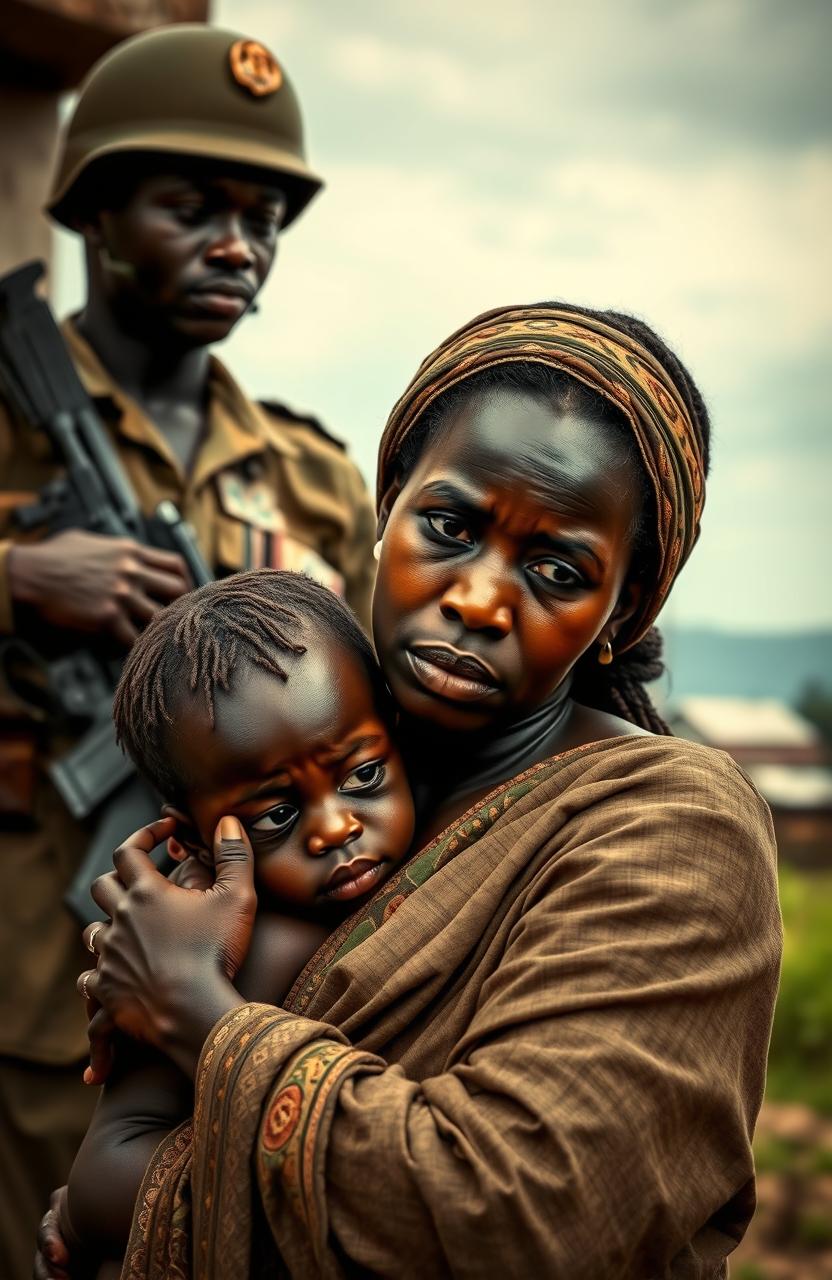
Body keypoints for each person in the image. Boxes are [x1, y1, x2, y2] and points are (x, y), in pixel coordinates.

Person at [45, 302, 781, 1278]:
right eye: (447, 524)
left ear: (623, 604)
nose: (478, 598)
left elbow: (523, 1215)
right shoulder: (303, 752)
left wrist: (195, 1014)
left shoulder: (669, 823)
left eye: (558, 567)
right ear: (386, 503)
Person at [0, 24, 376, 1277]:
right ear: (98, 216)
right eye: (193, 206)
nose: (238, 245)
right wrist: (14, 576)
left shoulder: (315, 478)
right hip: (24, 977)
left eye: (263, 217)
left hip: (250, 988)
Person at [60, 569, 414, 1277]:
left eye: (364, 776)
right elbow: (101, 1174)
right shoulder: (239, 952)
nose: (338, 826)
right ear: (194, 843)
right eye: (278, 815)